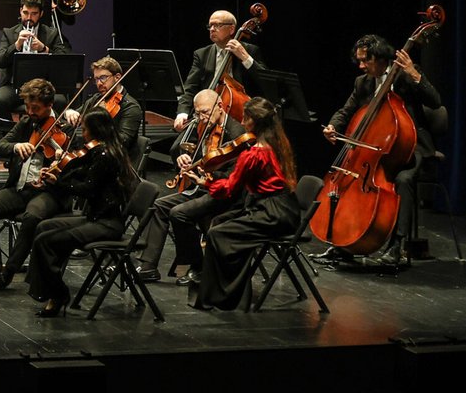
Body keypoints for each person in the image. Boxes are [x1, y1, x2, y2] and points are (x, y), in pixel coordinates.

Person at [318, 34, 441, 269]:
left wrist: (415, 76)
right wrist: (334, 125)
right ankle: (345, 243)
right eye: (360, 62)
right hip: (374, 150)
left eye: (366, 61)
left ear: (382, 58)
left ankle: (397, 245)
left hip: (409, 148)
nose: (362, 66)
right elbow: (346, 110)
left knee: (403, 180)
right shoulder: (362, 82)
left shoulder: (406, 75)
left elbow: (435, 102)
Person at [190, 97, 300, 311]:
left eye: (245, 118)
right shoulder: (278, 141)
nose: (242, 121)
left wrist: (206, 181)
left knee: (217, 234)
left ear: (254, 122)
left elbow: (230, 189)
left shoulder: (254, 154)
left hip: (271, 214)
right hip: (287, 209)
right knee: (222, 222)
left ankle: (224, 295)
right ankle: (232, 291)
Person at [24, 109, 136, 317]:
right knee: (43, 227)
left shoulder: (105, 156)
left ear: (96, 131)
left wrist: (59, 182)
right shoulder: (97, 151)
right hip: (96, 218)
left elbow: (87, 189)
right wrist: (56, 173)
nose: (82, 134)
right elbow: (77, 173)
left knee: (47, 241)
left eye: (84, 130)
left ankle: (58, 294)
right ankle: (46, 289)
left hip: (107, 224)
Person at [133, 87, 245, 283]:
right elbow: (177, 147)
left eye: (205, 112)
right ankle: (149, 266)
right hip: (200, 187)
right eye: (198, 112)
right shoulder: (201, 124)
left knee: (179, 213)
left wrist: (209, 175)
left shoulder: (236, 133)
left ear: (220, 107)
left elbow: (235, 177)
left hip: (222, 193)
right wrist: (182, 157)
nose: (201, 117)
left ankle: (198, 266)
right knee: (159, 205)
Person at [0, 78, 72, 292]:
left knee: (32, 217)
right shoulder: (27, 123)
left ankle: (8, 272)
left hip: (48, 193)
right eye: (27, 106)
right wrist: (16, 146)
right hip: (20, 188)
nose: (29, 111)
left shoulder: (66, 129)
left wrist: (58, 165)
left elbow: (75, 170)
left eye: (35, 107)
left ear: (49, 105)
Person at [173, 10, 265, 132]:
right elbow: (190, 87)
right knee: (176, 148)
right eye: (210, 25)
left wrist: (245, 57)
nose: (212, 29)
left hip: (239, 115)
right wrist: (182, 113)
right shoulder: (201, 54)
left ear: (232, 29)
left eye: (217, 25)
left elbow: (265, 81)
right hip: (206, 114)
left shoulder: (250, 50)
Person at [0, 0, 69, 118]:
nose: (29, 18)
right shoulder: (9, 33)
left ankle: (47, 133)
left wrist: (44, 48)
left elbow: (63, 60)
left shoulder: (51, 33)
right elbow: (0, 61)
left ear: (41, 14)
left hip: (43, 87)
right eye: (26, 13)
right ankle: (11, 134)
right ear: (20, 11)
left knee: (60, 101)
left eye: (34, 14)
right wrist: (16, 45)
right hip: (14, 86)